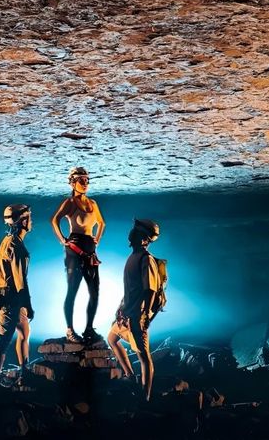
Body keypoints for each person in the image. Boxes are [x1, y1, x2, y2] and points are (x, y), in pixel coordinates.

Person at [108, 218, 165, 401]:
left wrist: (146, 314)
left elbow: (150, 289)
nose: (133, 234)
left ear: (146, 239)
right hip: (126, 313)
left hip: (137, 315)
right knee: (112, 338)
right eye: (134, 231)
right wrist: (120, 307)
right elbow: (130, 289)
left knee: (144, 357)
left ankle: (145, 396)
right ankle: (131, 377)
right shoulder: (133, 257)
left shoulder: (146, 259)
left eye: (138, 233)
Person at [50, 166, 105, 343]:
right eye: (81, 180)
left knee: (94, 291)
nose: (85, 183)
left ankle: (89, 329)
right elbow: (54, 220)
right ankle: (70, 330)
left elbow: (101, 223)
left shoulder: (93, 204)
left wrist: (96, 240)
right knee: (72, 290)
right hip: (74, 248)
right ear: (73, 182)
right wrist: (63, 240)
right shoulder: (70, 203)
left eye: (87, 180)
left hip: (89, 247)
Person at [0, 203, 34, 386]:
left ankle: (24, 372)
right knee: (4, 341)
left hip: (9, 297)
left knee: (24, 332)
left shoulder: (8, 241)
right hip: (11, 299)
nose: (31, 220)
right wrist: (28, 305)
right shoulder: (16, 247)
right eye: (29, 217)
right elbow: (20, 281)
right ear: (23, 221)